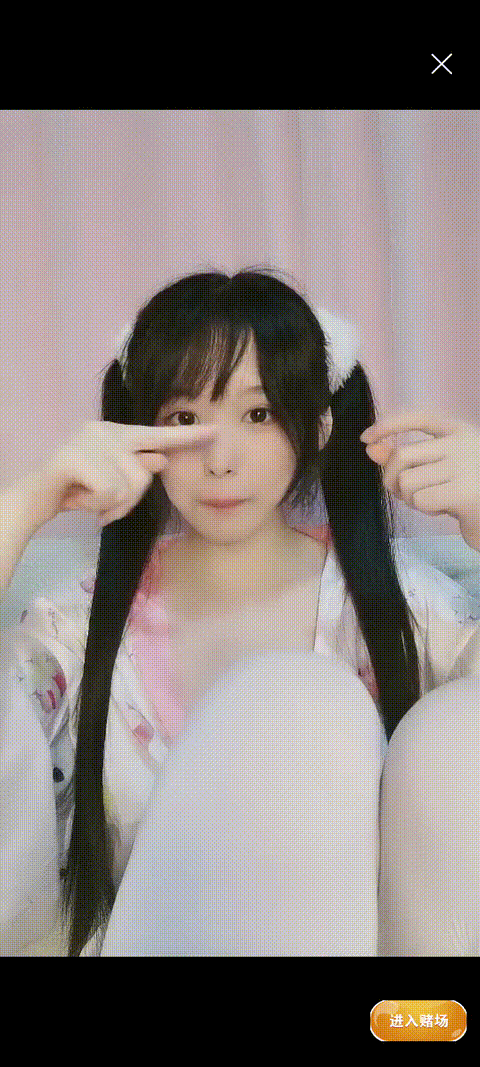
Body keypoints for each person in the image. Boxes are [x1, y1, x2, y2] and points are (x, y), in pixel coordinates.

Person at [0, 267, 479, 958]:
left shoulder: (396, 606)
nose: (220, 460)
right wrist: (31, 501)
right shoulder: (79, 625)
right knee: (298, 703)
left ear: (317, 426)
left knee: (457, 726)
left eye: (258, 415)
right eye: (184, 419)